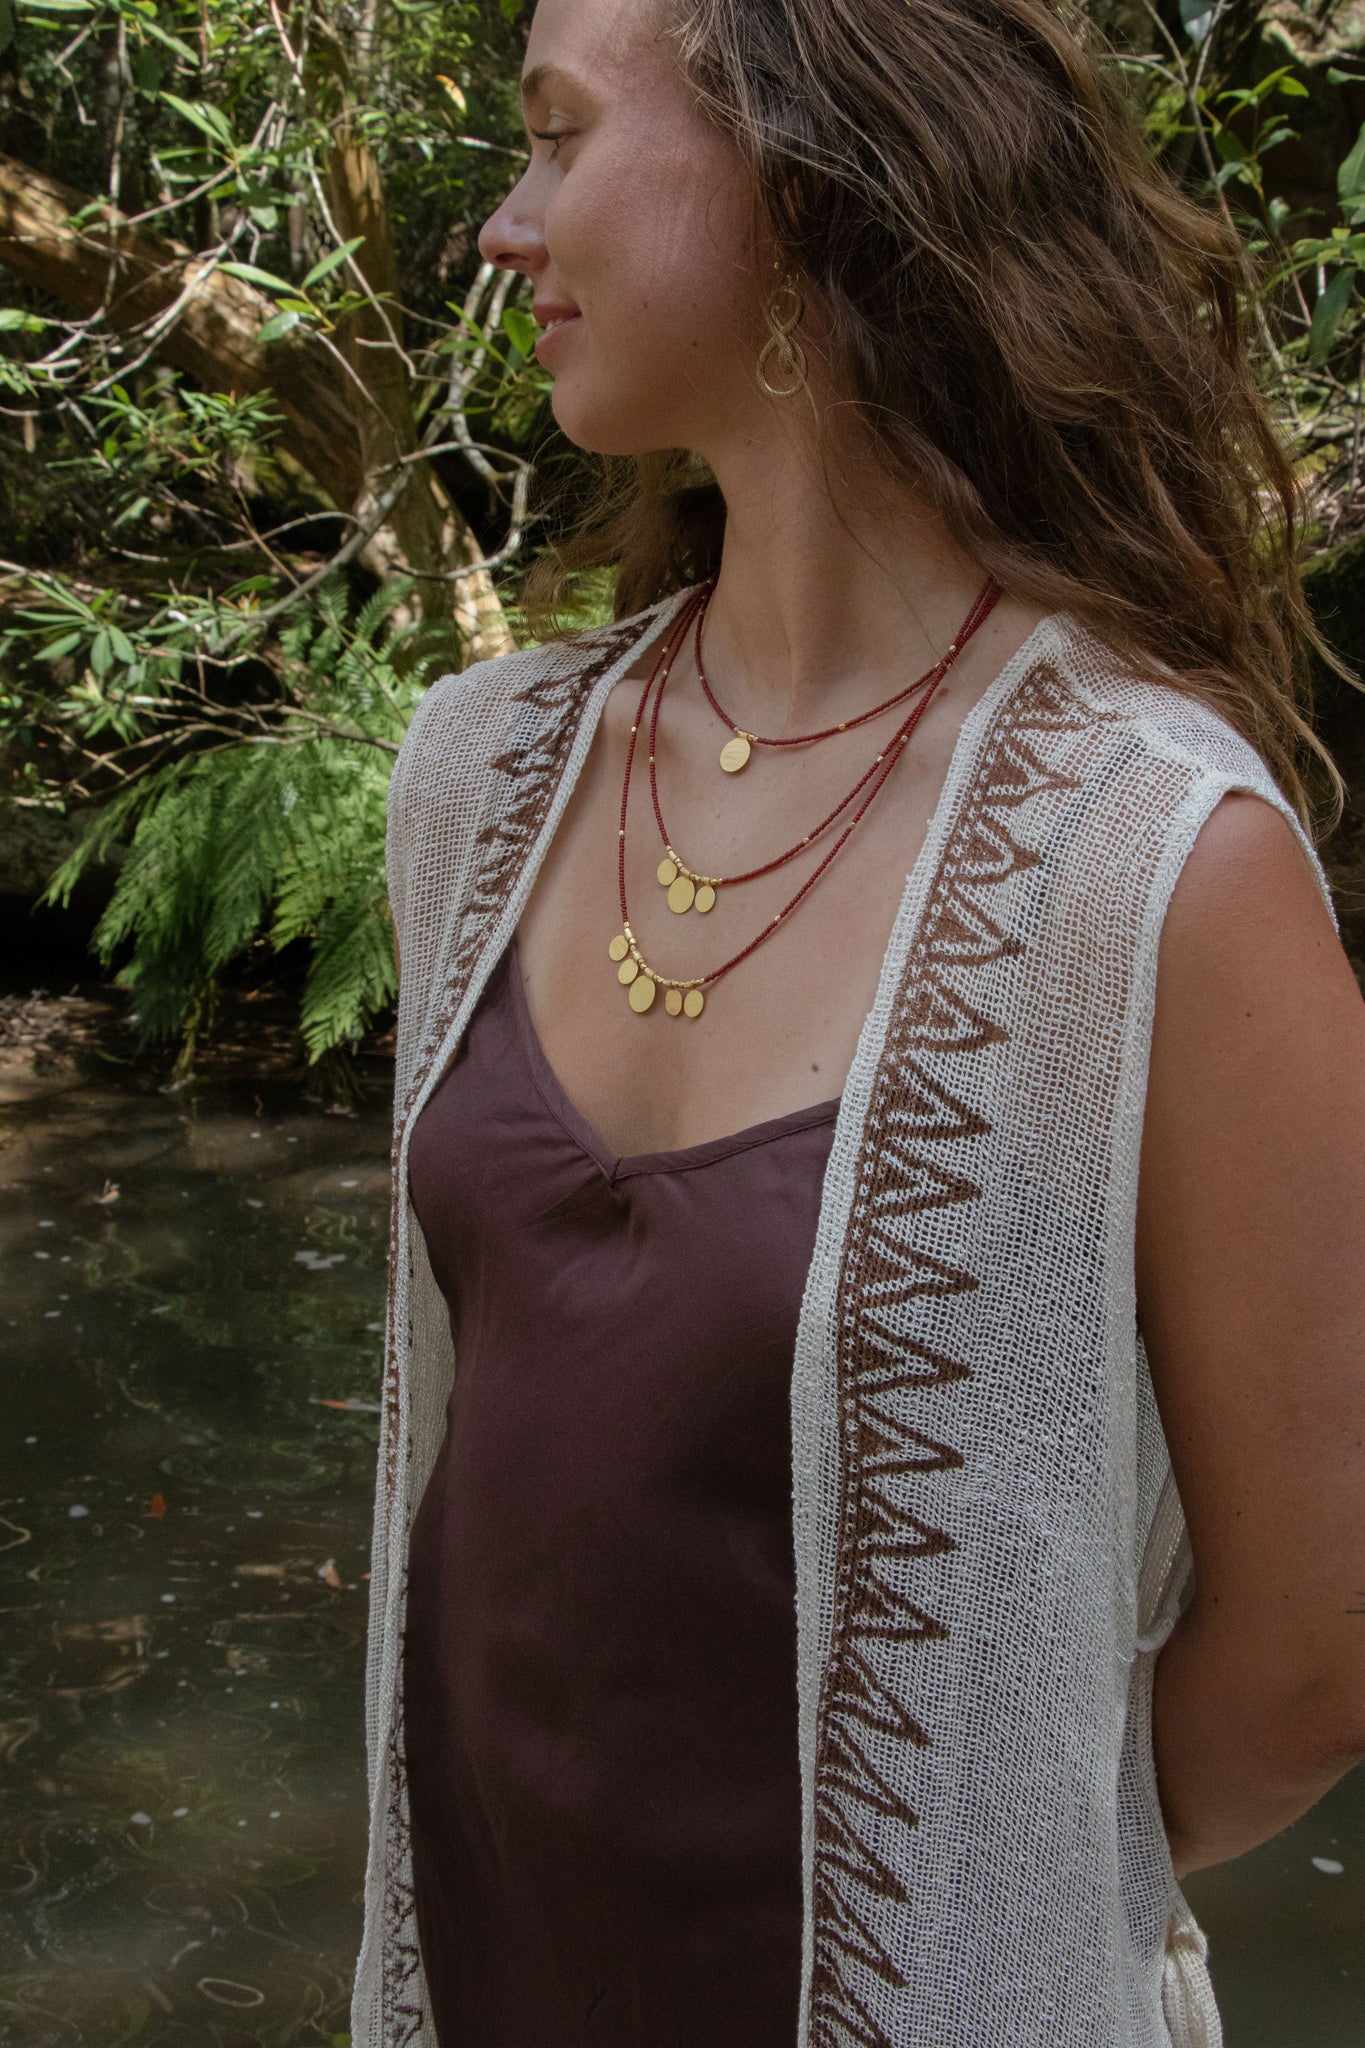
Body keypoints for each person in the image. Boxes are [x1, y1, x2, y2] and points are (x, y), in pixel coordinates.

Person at [350, 0, 1365, 2041]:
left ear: (799, 180)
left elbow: (1318, 1647)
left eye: (559, 136)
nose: (503, 225)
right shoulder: (479, 778)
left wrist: (987, 1896)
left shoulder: (1153, 861)